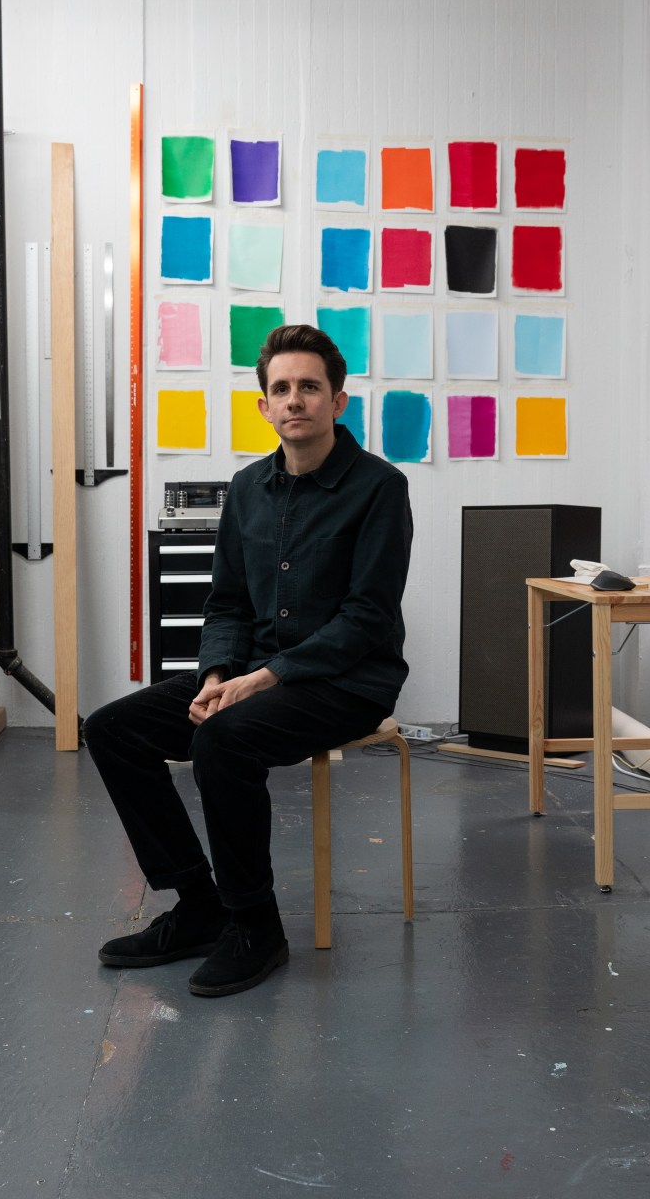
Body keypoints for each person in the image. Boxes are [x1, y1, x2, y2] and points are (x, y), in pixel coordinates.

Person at [83, 324, 413, 997]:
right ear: (264, 405)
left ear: (338, 401)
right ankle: (199, 907)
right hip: (253, 675)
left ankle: (256, 927)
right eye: (282, 388)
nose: (296, 400)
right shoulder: (247, 489)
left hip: (350, 681)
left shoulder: (379, 487)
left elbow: (367, 619)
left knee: (226, 740)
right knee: (114, 729)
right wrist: (214, 678)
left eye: (310, 388)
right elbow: (226, 603)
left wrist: (258, 681)